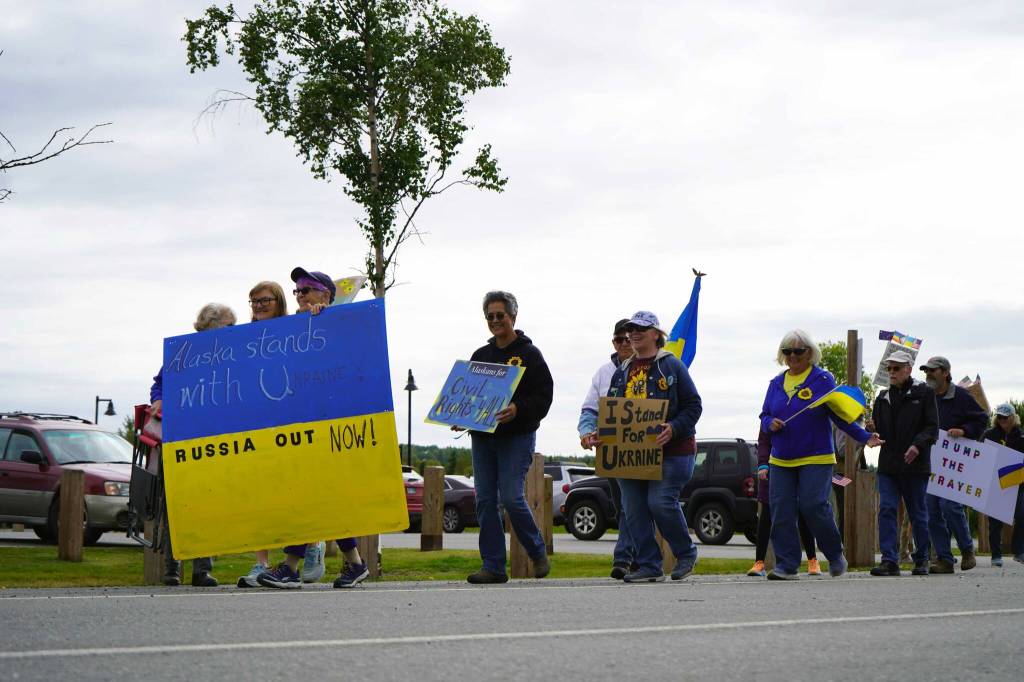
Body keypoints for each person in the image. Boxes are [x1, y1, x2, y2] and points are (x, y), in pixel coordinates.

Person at [257, 268, 369, 589]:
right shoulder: (292, 329)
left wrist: (324, 320)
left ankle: (291, 568)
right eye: (297, 291)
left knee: (307, 496)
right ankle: (355, 564)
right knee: (320, 498)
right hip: (301, 423)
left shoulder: (336, 325)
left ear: (326, 295)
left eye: (306, 289)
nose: (300, 295)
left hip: (328, 425)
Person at [759, 329, 882, 580]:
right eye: (787, 351)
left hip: (816, 456)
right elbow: (764, 416)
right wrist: (769, 423)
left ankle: (835, 554)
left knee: (813, 505)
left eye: (798, 351)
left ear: (810, 353)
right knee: (781, 509)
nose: (792, 356)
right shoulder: (775, 384)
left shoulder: (822, 379)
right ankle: (787, 564)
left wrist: (864, 437)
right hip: (781, 458)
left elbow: (839, 415)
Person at [234, 281, 326, 587]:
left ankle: (311, 544)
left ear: (279, 301)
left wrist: (318, 312)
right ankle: (262, 564)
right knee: (261, 498)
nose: (258, 305)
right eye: (253, 301)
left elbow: (322, 336)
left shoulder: (296, 328)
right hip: (258, 425)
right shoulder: (243, 339)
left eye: (264, 300)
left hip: (291, 424)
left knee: (294, 495)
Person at [463, 290, 553, 584]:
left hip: (517, 437)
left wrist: (518, 408)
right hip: (483, 437)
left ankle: (537, 551)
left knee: (513, 498)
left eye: (500, 315)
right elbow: (470, 395)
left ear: (513, 317)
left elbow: (544, 396)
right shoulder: (481, 356)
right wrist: (460, 416)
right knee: (485, 500)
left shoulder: (529, 355)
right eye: (490, 316)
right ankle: (493, 566)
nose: (495, 321)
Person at [607, 311, 702, 583]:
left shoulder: (671, 365)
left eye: (641, 329)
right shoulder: (623, 370)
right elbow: (613, 410)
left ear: (656, 335)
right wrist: (601, 434)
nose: (634, 333)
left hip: (674, 451)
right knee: (633, 508)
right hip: (631, 454)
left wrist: (673, 428)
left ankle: (685, 553)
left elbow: (693, 405)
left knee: (659, 501)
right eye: (631, 329)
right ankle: (649, 565)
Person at [150, 302, 237, 587]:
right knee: (177, 504)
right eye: (229, 325)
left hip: (214, 437)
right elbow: (159, 384)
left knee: (208, 503)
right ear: (211, 324)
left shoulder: (233, 354)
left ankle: (202, 568)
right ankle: (172, 566)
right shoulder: (184, 352)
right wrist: (158, 400)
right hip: (181, 437)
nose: (234, 330)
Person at [866, 350, 937, 577]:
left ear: (909, 368)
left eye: (896, 368)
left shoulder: (924, 393)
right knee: (886, 508)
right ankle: (889, 560)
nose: (892, 372)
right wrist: (872, 431)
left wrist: (917, 445)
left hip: (915, 466)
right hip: (888, 465)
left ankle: (922, 558)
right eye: (889, 368)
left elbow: (932, 428)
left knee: (917, 512)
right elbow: (880, 430)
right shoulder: (882, 397)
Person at [577, 318, 637, 579]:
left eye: (628, 338)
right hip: (612, 449)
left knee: (635, 504)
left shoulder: (649, 368)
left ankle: (624, 558)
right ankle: (637, 556)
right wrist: (586, 432)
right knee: (622, 505)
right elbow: (590, 408)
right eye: (618, 339)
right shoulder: (603, 373)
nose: (624, 343)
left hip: (640, 450)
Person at [919, 356, 988, 573]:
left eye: (933, 370)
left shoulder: (962, 397)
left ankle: (967, 549)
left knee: (949, 506)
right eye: (926, 371)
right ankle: (944, 559)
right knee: (930, 509)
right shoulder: (924, 396)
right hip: (930, 462)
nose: (928, 374)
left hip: (954, 463)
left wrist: (964, 431)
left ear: (946, 373)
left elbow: (982, 419)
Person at [747, 430, 821, 578]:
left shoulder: (797, 411)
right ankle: (759, 562)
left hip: (797, 467)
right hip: (772, 468)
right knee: (766, 515)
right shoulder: (769, 413)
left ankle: (812, 560)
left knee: (802, 514)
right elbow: (763, 441)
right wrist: (762, 464)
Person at [981, 403, 1024, 566]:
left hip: (1018, 484)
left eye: (1005, 417)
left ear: (1013, 418)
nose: (1002, 420)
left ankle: (1019, 550)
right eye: (999, 417)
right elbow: (978, 454)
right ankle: (996, 555)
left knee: (1022, 515)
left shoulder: (1021, 436)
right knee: (995, 522)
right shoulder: (988, 435)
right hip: (995, 484)